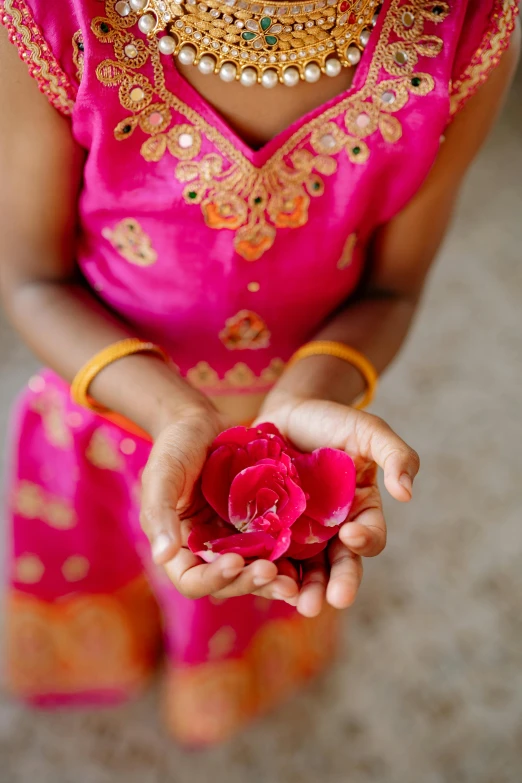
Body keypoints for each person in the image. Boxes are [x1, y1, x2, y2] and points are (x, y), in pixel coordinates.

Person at [0, 0, 519, 745]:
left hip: (292, 469)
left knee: (248, 600)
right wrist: (174, 413)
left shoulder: (466, 27)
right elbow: (32, 282)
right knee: (103, 578)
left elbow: (391, 289)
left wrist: (304, 401)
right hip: (102, 411)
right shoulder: (56, 19)